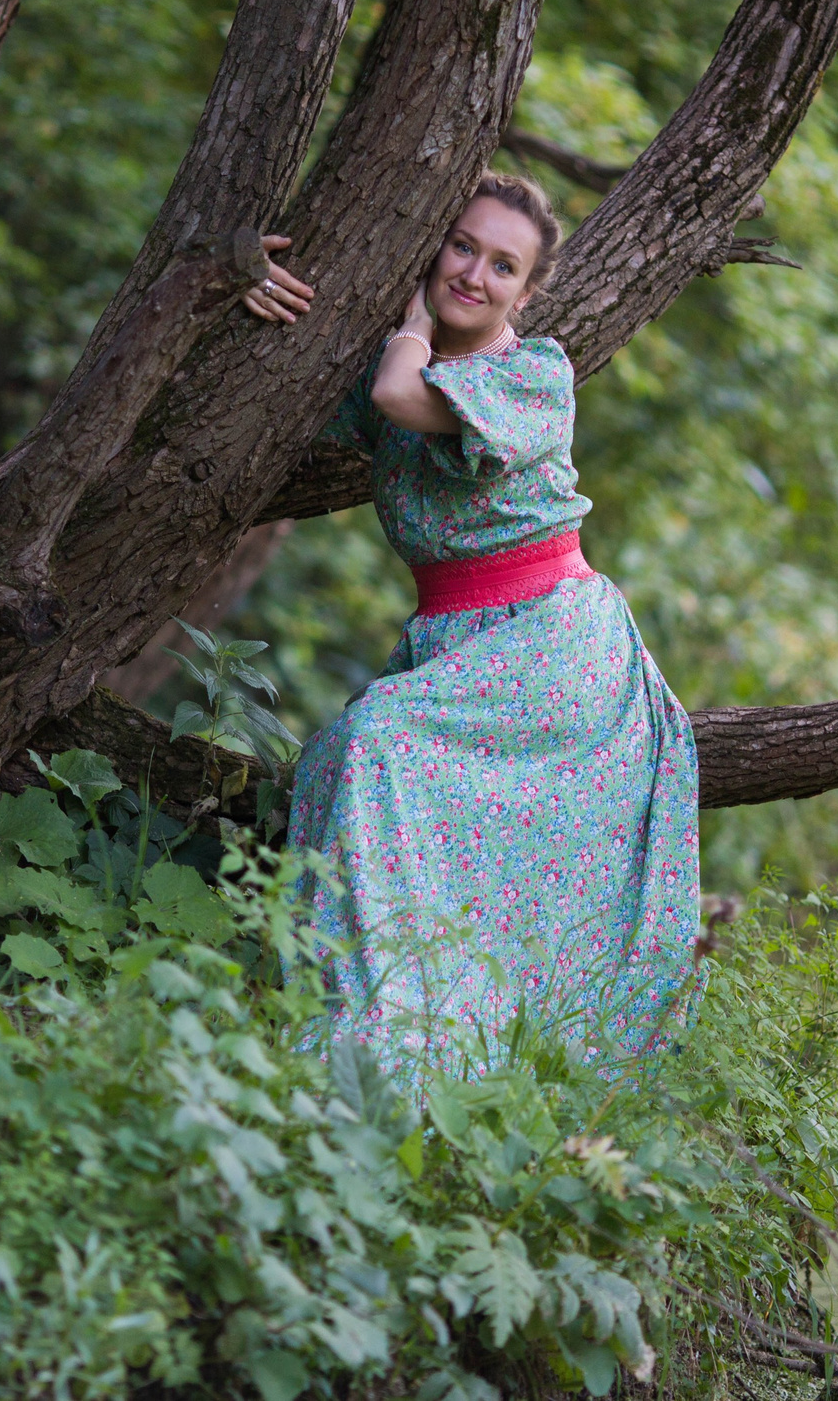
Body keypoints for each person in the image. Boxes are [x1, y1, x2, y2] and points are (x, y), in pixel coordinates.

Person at [240, 173, 701, 1071]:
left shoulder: (530, 374)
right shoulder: (393, 356)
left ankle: (391, 1042)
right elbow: (268, 369)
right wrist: (242, 282)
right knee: (333, 757)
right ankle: (366, 1012)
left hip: (551, 639)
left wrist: (410, 325)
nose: (475, 275)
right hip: (457, 641)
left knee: (375, 739)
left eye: (503, 265)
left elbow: (399, 400)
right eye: (463, 246)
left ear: (526, 293)